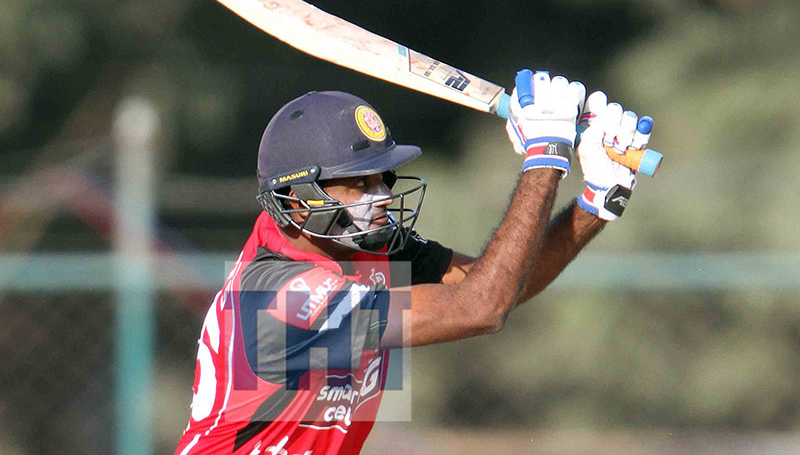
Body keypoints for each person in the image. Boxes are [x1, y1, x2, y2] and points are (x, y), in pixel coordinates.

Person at [175, 70, 653, 454]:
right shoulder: (277, 298)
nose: (382, 195)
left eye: (382, 177)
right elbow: (481, 308)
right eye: (358, 183)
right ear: (296, 201)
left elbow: (505, 285)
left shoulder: (364, 244)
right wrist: (544, 157)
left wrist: (595, 203)